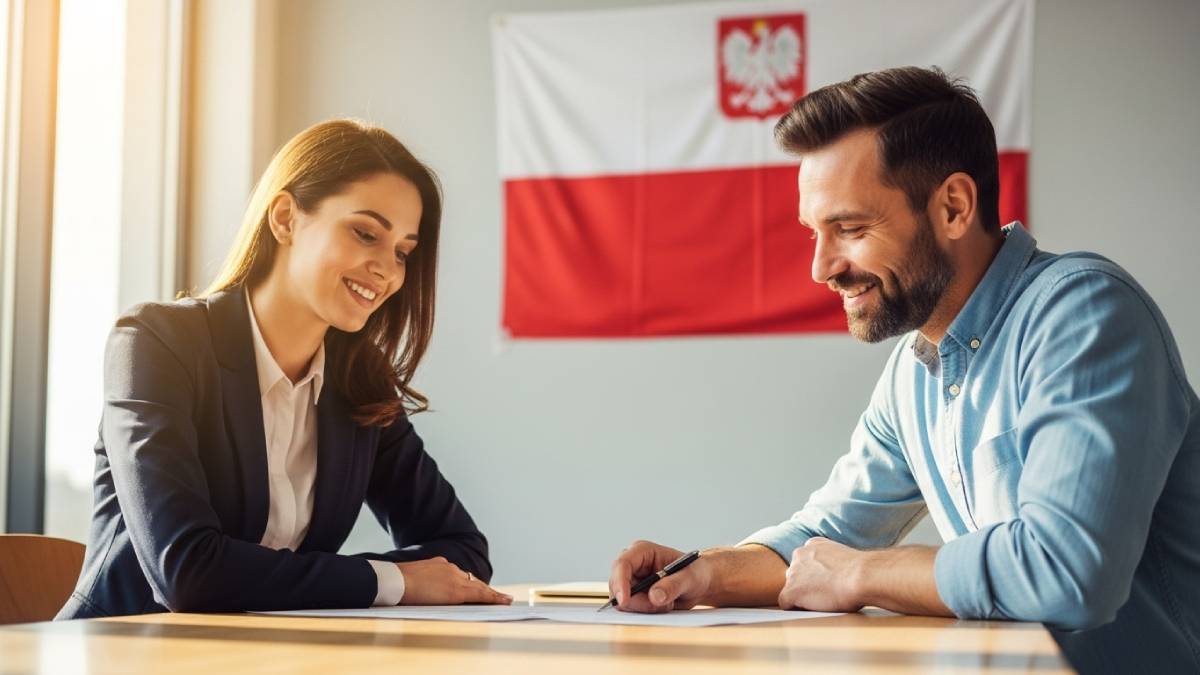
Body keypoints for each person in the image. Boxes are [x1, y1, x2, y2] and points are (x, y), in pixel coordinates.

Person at [608, 67, 1199, 672]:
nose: (820, 268)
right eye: (815, 233)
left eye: (852, 229)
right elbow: (828, 536)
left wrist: (866, 573)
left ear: (953, 206)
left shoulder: (1084, 315)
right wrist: (702, 572)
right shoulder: (912, 369)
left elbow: (1068, 572)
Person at [58, 119, 511, 619]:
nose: (387, 270)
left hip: (271, 656)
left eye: (403, 252)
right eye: (365, 234)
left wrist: (369, 581)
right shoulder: (156, 344)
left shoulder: (358, 382)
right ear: (285, 219)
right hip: (124, 656)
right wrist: (393, 579)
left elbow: (461, 551)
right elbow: (187, 574)